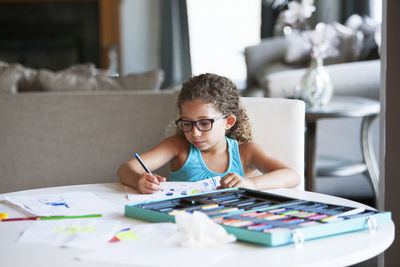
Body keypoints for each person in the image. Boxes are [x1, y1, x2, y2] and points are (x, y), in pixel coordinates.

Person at [117, 73, 300, 194]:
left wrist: (252, 184)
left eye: (204, 123)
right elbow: (126, 169)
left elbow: (292, 176)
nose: (195, 133)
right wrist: (139, 180)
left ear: (228, 122)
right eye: (187, 123)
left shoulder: (246, 152)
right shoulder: (178, 146)